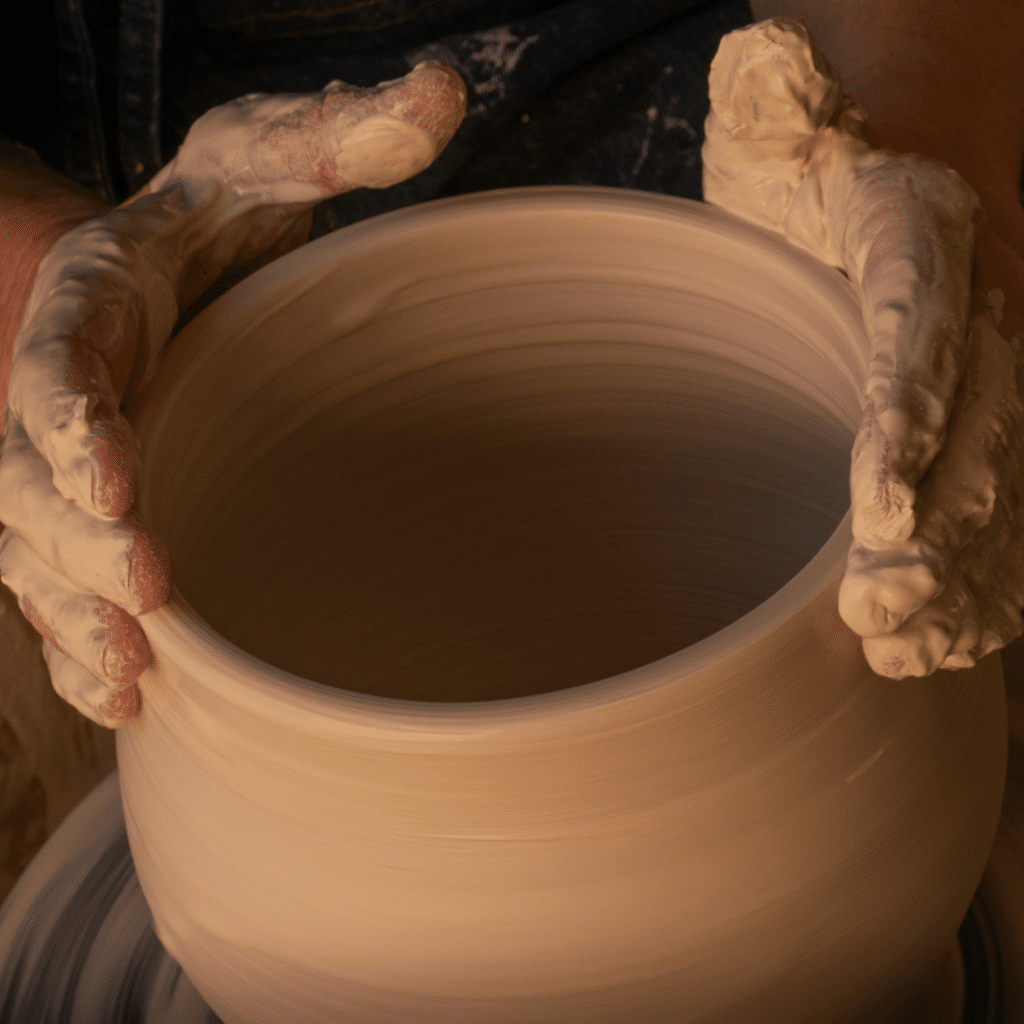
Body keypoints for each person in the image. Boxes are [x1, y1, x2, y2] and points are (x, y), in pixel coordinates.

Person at [0, 0, 1022, 905]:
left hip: (729, 142)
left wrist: (906, 145)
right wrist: (34, 279)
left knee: (925, 521)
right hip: (57, 245)